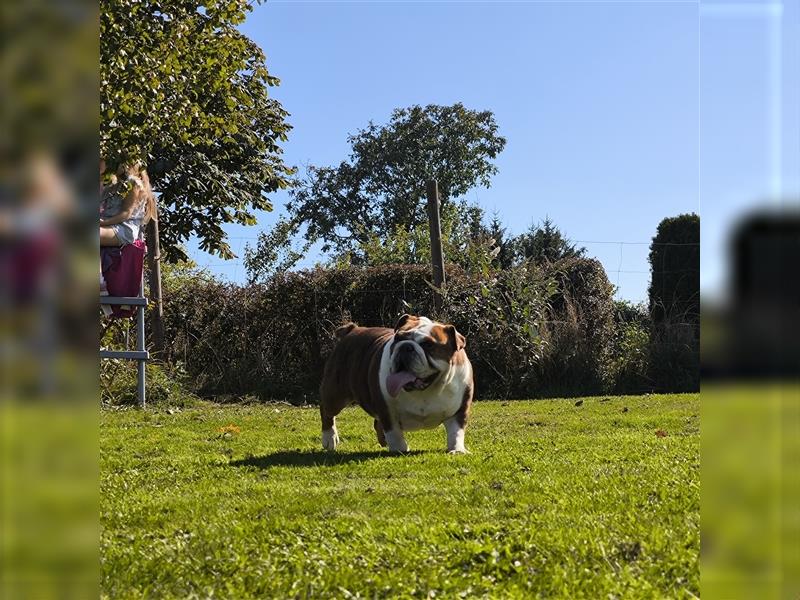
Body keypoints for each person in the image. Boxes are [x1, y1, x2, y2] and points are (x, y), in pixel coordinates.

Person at [100, 162, 156, 247]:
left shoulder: (133, 183)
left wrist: (103, 222)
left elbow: (126, 214)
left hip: (123, 228)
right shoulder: (111, 186)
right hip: (108, 224)